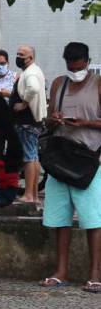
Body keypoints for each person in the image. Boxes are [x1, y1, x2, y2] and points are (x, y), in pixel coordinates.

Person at [40, 42, 101, 292]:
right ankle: (61, 271)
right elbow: (47, 121)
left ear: (87, 62)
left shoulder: (97, 84)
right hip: (60, 158)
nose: (74, 70)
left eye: (78, 66)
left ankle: (95, 274)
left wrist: (84, 123)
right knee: (59, 218)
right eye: (69, 65)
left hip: (89, 160)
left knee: (92, 219)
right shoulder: (58, 84)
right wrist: (53, 120)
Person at [10, 44, 47, 204]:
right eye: (17, 53)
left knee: (29, 157)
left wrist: (23, 103)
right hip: (32, 121)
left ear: (30, 57)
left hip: (26, 120)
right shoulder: (34, 70)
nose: (18, 57)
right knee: (33, 156)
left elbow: (33, 88)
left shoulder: (30, 72)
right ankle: (34, 195)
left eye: (21, 55)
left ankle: (29, 195)